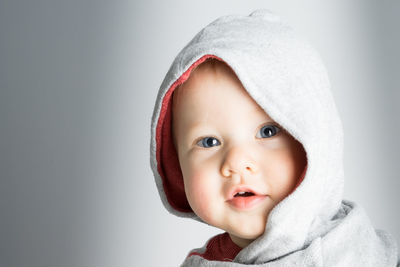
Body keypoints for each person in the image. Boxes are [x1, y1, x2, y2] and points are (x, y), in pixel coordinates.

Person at [149, 9, 399, 266]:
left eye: (267, 132)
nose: (236, 162)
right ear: (177, 166)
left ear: (317, 141)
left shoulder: (353, 257)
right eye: (209, 142)